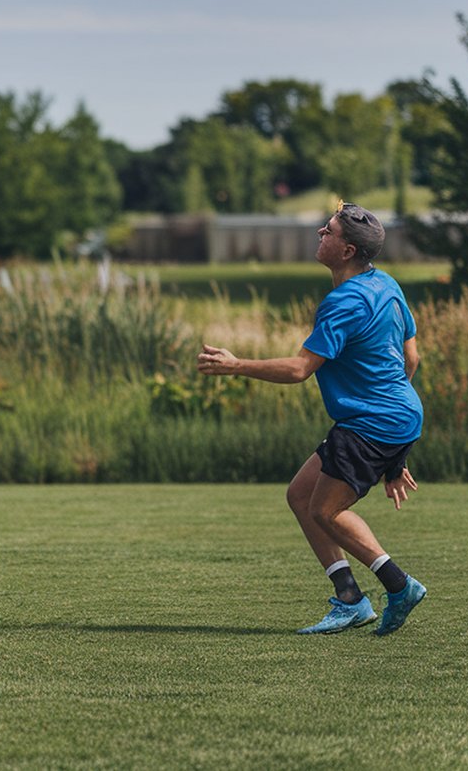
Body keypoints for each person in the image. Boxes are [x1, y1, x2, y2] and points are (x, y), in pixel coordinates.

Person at [198, 202, 426, 636]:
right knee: (301, 495)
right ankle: (349, 600)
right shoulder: (386, 284)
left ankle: (399, 586)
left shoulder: (343, 303)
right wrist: (394, 452)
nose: (321, 231)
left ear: (346, 250)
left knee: (325, 510)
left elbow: (300, 369)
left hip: (369, 424)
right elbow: (411, 356)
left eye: (330, 230)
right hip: (400, 415)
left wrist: (237, 365)